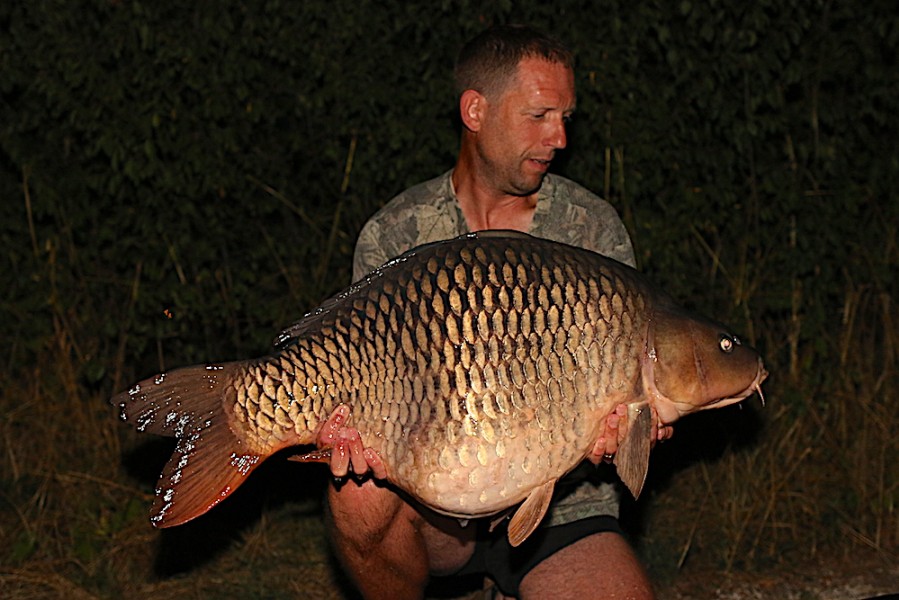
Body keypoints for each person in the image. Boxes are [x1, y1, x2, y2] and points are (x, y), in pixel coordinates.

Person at [315, 25, 670, 599]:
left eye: (566, 117)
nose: (559, 137)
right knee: (356, 494)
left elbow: (635, 390)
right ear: (475, 110)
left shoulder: (591, 229)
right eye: (539, 115)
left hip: (563, 507)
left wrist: (627, 428)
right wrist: (352, 430)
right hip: (436, 506)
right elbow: (365, 375)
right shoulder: (397, 231)